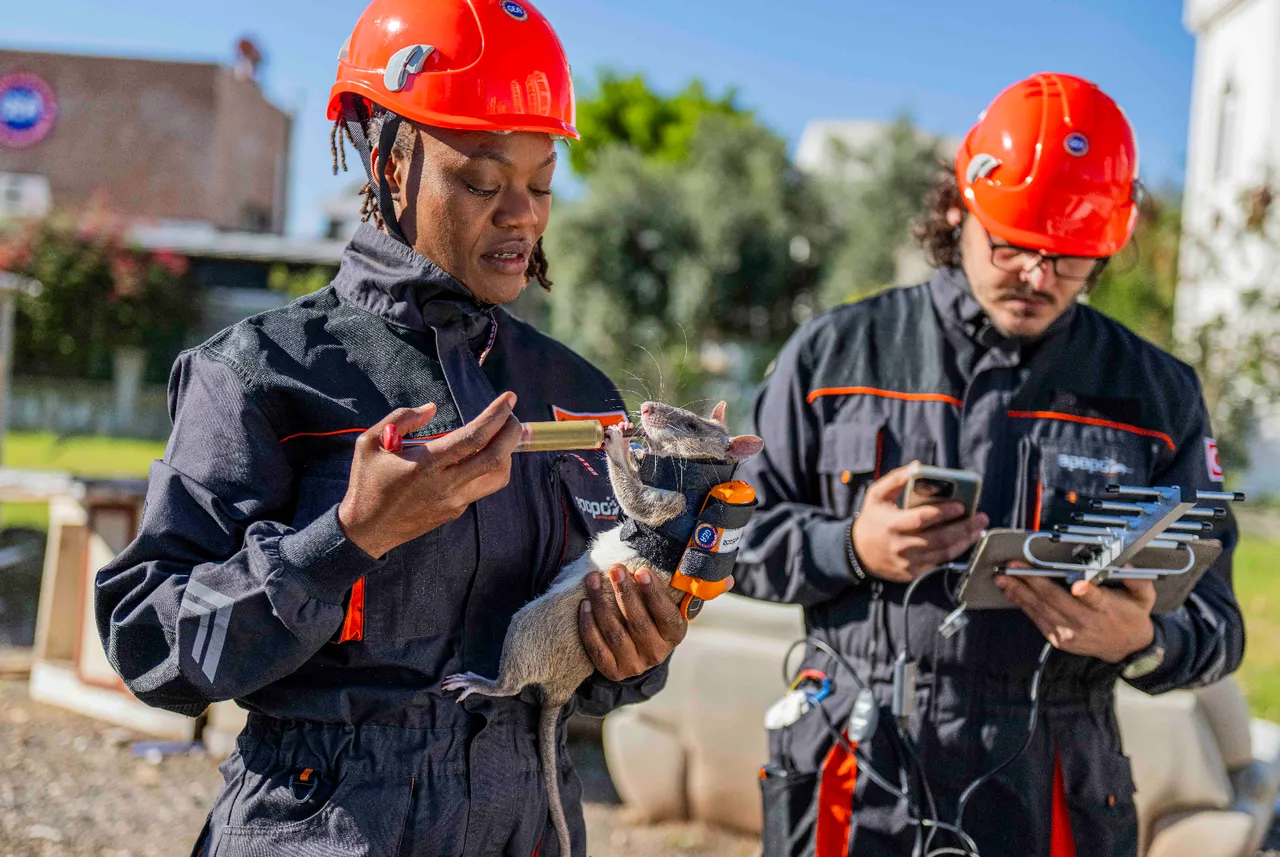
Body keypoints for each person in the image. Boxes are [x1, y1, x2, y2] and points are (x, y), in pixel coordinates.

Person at [93, 2, 697, 854]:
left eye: (541, 184)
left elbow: (584, 674)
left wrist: (633, 650)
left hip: (527, 825)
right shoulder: (261, 372)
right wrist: (347, 537)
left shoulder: (576, 392)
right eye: (483, 181)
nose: (522, 215)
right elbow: (148, 643)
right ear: (387, 164)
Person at [736, 73, 1244, 857]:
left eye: (1069, 259)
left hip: (1053, 783)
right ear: (957, 209)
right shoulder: (834, 354)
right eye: (1013, 246)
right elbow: (724, 540)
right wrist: (851, 546)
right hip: (856, 767)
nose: (1038, 277)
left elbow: (1219, 623)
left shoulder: (1157, 394)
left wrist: (1141, 637)